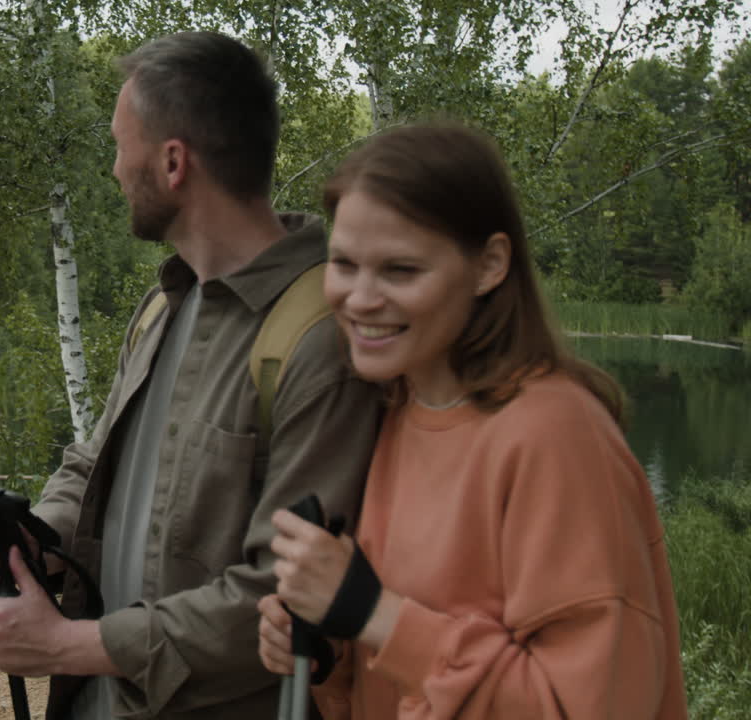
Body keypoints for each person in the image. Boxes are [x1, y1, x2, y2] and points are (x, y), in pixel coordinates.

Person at [0, 31, 382, 720]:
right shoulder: (163, 303)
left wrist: (70, 645)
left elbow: (280, 593)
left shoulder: (319, 341)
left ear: (174, 162)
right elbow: (93, 462)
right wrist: (37, 541)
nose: (116, 168)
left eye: (121, 146)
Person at [257, 123, 687, 719]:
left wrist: (370, 612)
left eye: (400, 270)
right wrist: (331, 647)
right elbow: (410, 677)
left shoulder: (555, 437)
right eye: (344, 264)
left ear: (489, 265)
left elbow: (591, 705)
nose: (359, 298)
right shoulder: (397, 411)